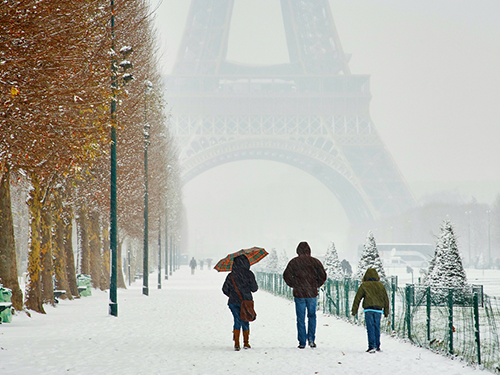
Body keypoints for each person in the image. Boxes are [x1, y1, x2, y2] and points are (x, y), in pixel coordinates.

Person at [283, 242, 327, 349]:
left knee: (300, 318)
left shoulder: (294, 262)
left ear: (298, 251)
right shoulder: (315, 262)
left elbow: (286, 276)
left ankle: (302, 342)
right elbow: (323, 276)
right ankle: (311, 339)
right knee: (312, 316)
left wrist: (294, 284)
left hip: (299, 294)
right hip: (311, 293)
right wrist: (316, 285)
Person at [222, 255, 258, 351]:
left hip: (233, 302)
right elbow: (254, 289)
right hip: (246, 301)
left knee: (237, 320)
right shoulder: (249, 274)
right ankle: (246, 343)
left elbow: (224, 289)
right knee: (245, 320)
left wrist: (232, 295)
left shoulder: (231, 275)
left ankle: (237, 343)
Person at [351, 268, 390, 353]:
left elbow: (357, 298)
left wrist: (354, 310)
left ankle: (371, 346)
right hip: (379, 310)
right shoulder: (381, 286)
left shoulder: (364, 285)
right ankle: (377, 345)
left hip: (368, 309)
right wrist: (386, 311)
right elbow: (386, 299)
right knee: (377, 327)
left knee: (370, 327)